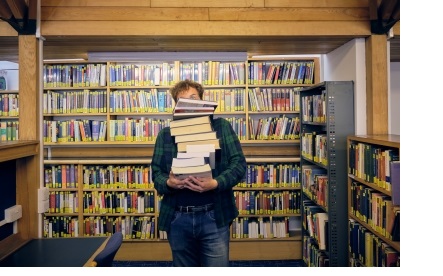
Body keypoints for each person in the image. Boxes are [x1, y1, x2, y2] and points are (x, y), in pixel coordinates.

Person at [151, 79, 246, 267]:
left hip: (213, 215)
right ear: (176, 107)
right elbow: (156, 173)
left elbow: (239, 165)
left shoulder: (221, 127)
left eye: (193, 98)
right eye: (183, 101)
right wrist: (168, 183)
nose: (190, 104)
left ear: (203, 101)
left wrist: (216, 182)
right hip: (178, 217)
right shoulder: (166, 134)